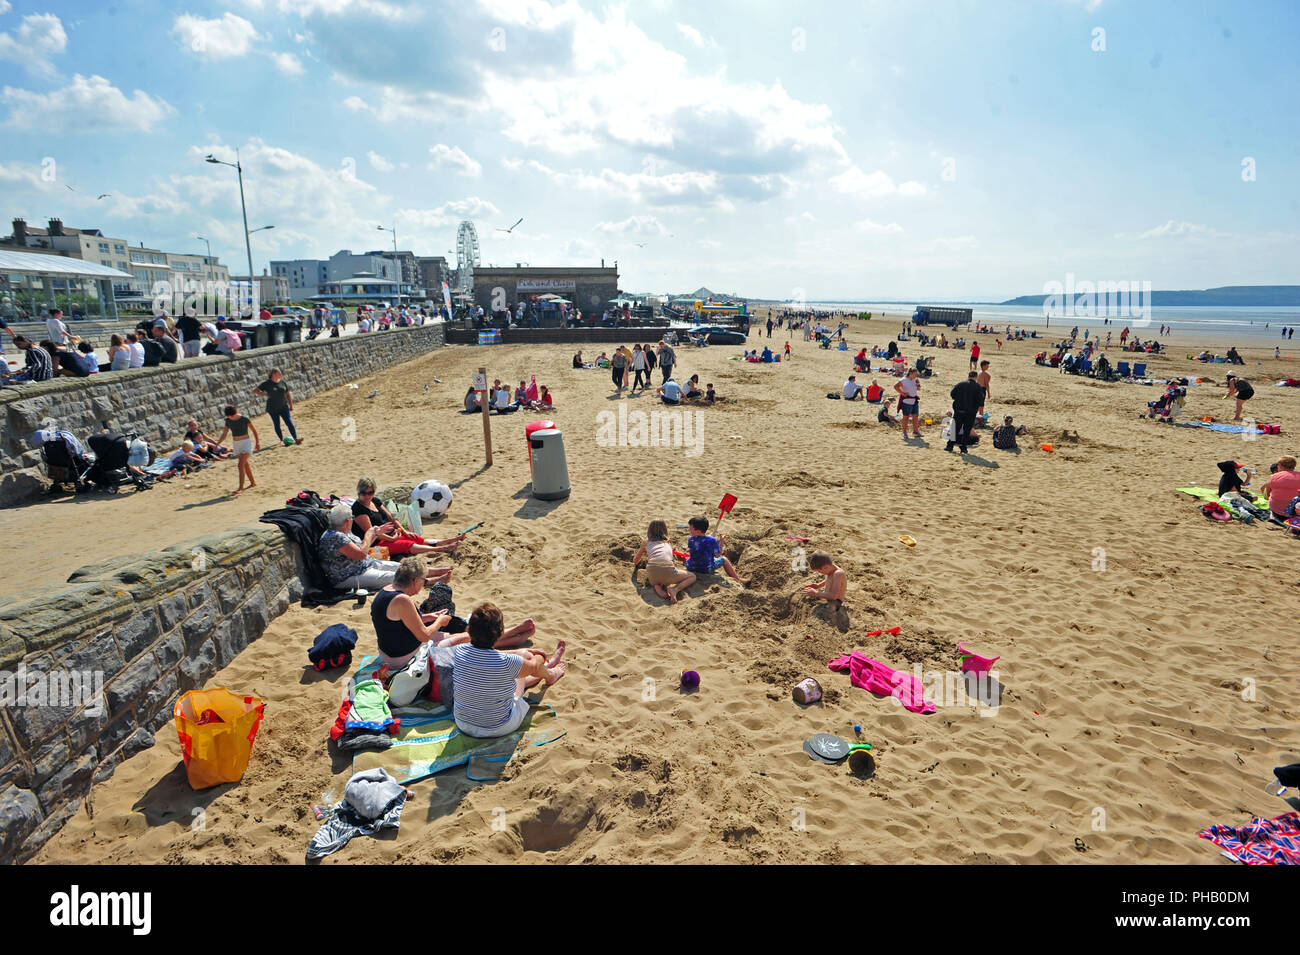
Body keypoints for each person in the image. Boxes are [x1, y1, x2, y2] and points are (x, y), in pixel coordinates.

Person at [371, 558, 538, 669]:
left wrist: (431, 617)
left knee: (459, 636)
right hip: (402, 658)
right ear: (416, 581)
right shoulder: (403, 600)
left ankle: (511, 636)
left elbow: (398, 622)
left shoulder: (386, 591)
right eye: (424, 581)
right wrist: (440, 622)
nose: (424, 585)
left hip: (391, 651)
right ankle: (511, 638)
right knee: (465, 640)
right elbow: (423, 636)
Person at [451, 603, 565, 739]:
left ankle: (547, 669)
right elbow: (534, 666)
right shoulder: (507, 662)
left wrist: (519, 653)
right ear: (500, 633)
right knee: (524, 663)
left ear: (469, 630)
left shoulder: (459, 651)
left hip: (463, 723)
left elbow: (484, 657)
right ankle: (551, 673)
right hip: (499, 727)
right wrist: (539, 656)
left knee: (517, 667)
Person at [318, 503, 453, 591]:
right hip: (348, 576)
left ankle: (435, 571)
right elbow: (360, 554)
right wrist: (369, 534)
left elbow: (363, 548)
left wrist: (376, 533)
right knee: (394, 576)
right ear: (348, 521)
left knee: (401, 567)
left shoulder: (342, 530)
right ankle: (429, 581)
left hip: (365, 565)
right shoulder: (335, 537)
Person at [351, 477, 464, 556]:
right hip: (377, 543)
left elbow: (391, 518)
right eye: (363, 493)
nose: (367, 496)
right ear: (358, 492)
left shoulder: (375, 501)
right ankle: (441, 549)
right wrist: (392, 538)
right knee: (408, 545)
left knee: (416, 538)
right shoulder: (358, 509)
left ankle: (448, 541)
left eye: (370, 493)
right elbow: (372, 533)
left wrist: (404, 532)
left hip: (391, 534)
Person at [633, 520, 696, 603]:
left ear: (649, 531)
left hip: (652, 572)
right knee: (692, 576)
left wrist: (636, 564)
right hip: (668, 570)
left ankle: (657, 586)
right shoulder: (668, 542)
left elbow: (635, 560)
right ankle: (675, 589)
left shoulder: (646, 542)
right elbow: (670, 559)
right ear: (665, 530)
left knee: (656, 575)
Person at [685, 515, 747, 585]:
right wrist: (721, 541)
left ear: (698, 531)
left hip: (691, 567)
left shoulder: (691, 539)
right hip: (706, 569)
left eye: (690, 529)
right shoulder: (712, 540)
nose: (689, 530)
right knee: (724, 559)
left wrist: (709, 537)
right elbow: (717, 555)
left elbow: (701, 542)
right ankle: (738, 579)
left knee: (694, 556)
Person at [213, 404, 260, 494]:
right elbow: (225, 434)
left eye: (232, 416)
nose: (231, 418)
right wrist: (217, 444)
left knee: (240, 465)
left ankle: (240, 488)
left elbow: (254, 431)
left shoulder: (244, 419)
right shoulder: (228, 421)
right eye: (230, 416)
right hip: (236, 444)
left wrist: (257, 442)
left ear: (236, 413)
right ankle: (253, 483)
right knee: (245, 465)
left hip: (246, 443)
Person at [253, 367, 302, 445]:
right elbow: (255, 391)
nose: (281, 374)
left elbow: (288, 394)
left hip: (284, 407)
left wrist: (291, 405)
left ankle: (296, 438)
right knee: (277, 424)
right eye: (279, 373)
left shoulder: (282, 382)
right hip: (272, 408)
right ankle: (281, 440)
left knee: (289, 422)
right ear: (273, 374)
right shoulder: (267, 383)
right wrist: (265, 394)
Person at [948, 370, 984, 453]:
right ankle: (963, 447)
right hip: (971, 412)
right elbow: (981, 401)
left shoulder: (960, 384)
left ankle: (950, 446)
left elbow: (952, 395)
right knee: (967, 430)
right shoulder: (978, 387)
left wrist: (959, 400)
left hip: (959, 410)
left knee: (956, 428)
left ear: (968, 376)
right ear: (976, 377)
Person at [894, 368, 922, 439]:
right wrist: (902, 393)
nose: (916, 376)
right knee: (906, 417)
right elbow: (895, 386)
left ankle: (915, 431)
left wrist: (918, 384)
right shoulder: (904, 380)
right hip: (906, 401)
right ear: (911, 373)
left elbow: (918, 389)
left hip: (914, 400)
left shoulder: (915, 380)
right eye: (915, 374)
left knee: (915, 417)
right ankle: (904, 432)